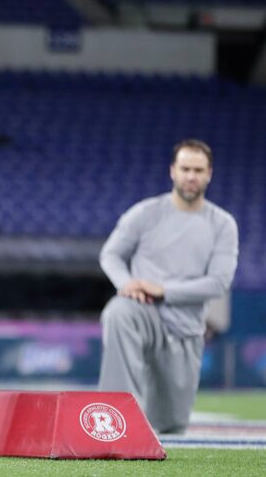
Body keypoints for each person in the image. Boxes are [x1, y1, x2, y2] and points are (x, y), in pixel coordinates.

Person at [98, 139, 238, 434]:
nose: (191, 176)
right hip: (144, 311)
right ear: (172, 171)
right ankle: (114, 420)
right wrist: (127, 284)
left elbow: (219, 282)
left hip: (186, 329)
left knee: (171, 425)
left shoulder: (223, 224)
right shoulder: (145, 213)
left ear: (209, 173)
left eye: (198, 170)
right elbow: (110, 254)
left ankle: (158, 421)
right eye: (185, 168)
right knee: (119, 312)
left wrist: (165, 290)